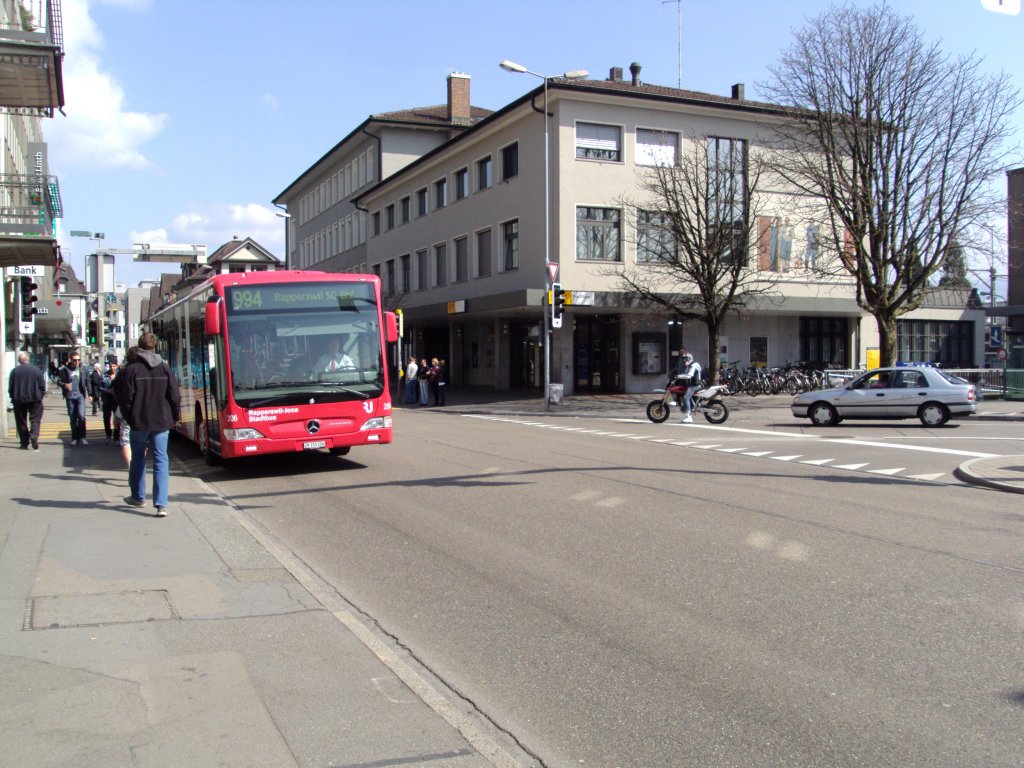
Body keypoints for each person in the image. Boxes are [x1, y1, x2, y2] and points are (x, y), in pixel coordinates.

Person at [115, 333, 181, 517]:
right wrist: (174, 416)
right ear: (155, 348)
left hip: (139, 422)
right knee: (161, 459)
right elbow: (174, 396)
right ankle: (161, 505)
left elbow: (125, 399)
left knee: (138, 458)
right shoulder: (165, 369)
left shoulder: (132, 370)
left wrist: (130, 417)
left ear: (140, 347)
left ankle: (138, 497)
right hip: (161, 421)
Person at [8, 351, 46, 451]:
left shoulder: (14, 371)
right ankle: (33, 435)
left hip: (19, 399)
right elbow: (42, 385)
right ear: (28, 360)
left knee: (21, 421)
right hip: (35, 398)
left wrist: (12, 397)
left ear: (19, 361)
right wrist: (41, 395)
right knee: (35, 419)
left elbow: (10, 387)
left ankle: (24, 443)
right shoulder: (36, 370)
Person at [58, 353, 91, 445]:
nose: (77, 362)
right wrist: (64, 385)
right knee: (73, 418)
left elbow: (87, 381)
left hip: (80, 396)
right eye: (74, 360)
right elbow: (58, 381)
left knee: (81, 416)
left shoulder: (83, 369)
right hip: (70, 396)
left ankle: (82, 437)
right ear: (70, 360)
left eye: (78, 359)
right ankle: (74, 438)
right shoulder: (64, 370)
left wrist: (90, 394)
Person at [676, 351, 702, 424]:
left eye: (686, 359)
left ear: (690, 358)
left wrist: (678, 376)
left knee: (686, 398)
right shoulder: (690, 365)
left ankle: (688, 417)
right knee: (687, 396)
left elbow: (689, 375)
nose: (685, 361)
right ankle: (690, 410)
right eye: (684, 359)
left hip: (695, 385)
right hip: (692, 385)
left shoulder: (694, 365)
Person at [102, 361, 120, 444]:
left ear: (117, 366)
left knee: (117, 418)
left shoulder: (120, 375)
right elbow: (99, 386)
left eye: (114, 366)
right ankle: (108, 435)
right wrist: (107, 390)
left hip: (116, 400)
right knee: (106, 418)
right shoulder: (104, 375)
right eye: (110, 366)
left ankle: (117, 438)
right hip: (106, 399)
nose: (112, 368)